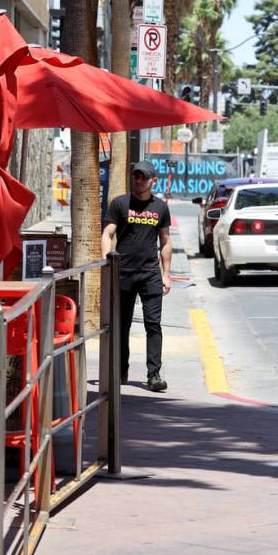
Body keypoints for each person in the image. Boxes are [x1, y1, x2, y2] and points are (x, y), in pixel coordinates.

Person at [100, 160, 172, 392]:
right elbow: (108, 233)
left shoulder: (160, 207)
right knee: (122, 325)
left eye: (143, 177)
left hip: (150, 273)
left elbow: (165, 241)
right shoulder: (120, 204)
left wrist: (166, 274)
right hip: (123, 272)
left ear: (153, 181)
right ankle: (120, 370)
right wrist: (107, 261)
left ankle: (154, 375)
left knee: (153, 325)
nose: (138, 180)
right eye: (136, 176)